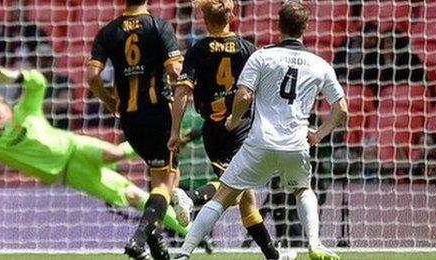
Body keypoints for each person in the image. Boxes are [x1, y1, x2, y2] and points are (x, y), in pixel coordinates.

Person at [0, 63, 191, 240]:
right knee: (136, 197)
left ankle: (166, 140)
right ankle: (186, 230)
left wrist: (13, 77)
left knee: (115, 152)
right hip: (69, 172)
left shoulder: (25, 113)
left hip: (74, 146)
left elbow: (38, 83)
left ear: (7, 107)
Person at [174, 2, 348, 260]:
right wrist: (320, 134)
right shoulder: (319, 64)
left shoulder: (262, 56)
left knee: (224, 197)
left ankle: (184, 252)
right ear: (306, 28)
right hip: (296, 143)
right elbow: (342, 110)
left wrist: (233, 119)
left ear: (278, 25)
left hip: (257, 140)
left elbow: (243, 94)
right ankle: (314, 243)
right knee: (302, 190)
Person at [167, 1, 292, 259]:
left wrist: (174, 132)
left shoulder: (197, 50)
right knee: (234, 192)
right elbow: (264, 92)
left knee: (246, 199)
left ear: (203, 17)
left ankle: (273, 256)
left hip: (212, 131)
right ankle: (192, 197)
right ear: (232, 15)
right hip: (240, 128)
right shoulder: (249, 49)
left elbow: (182, 92)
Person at [85, 0, 189, 258]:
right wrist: (189, 84)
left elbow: (91, 76)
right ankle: (139, 239)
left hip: (130, 118)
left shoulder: (108, 31)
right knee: (166, 183)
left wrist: (110, 102)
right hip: (158, 114)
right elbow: (175, 70)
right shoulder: (158, 26)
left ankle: (156, 243)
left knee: (156, 177)